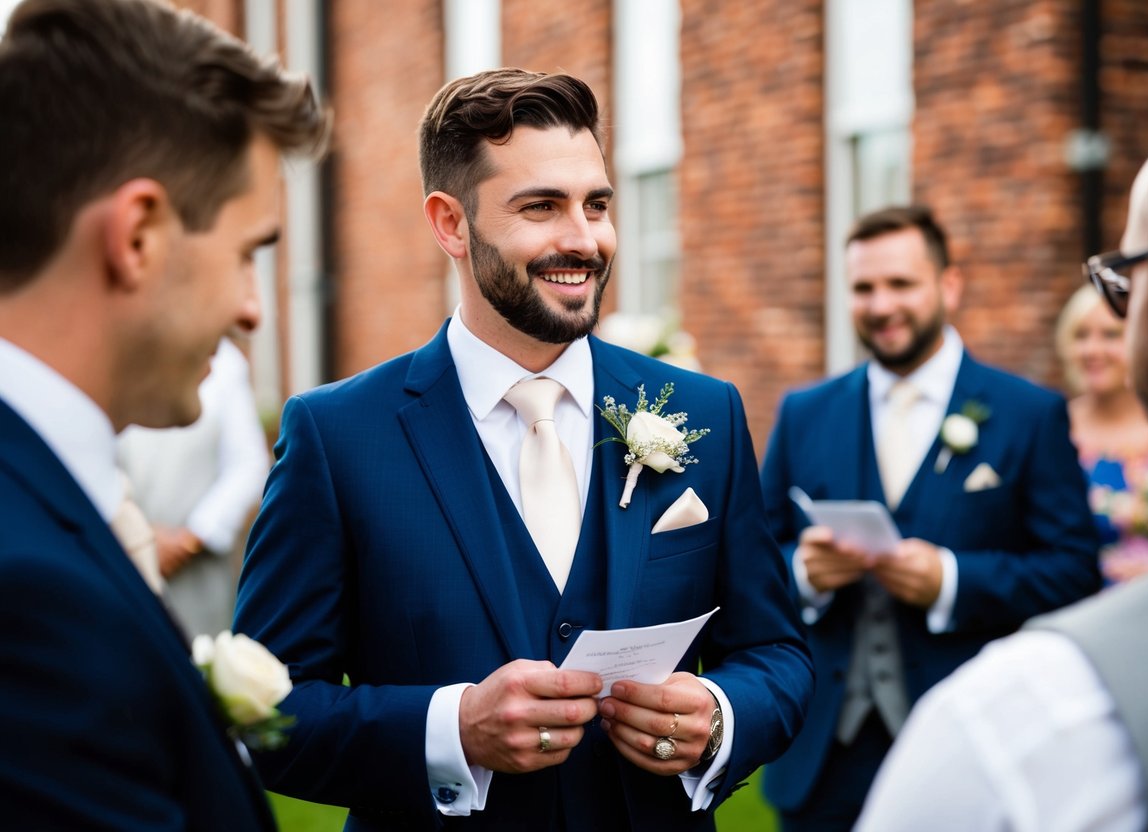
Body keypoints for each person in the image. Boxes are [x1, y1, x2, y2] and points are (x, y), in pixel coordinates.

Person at [232, 67, 814, 831]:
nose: (583, 239)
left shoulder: (705, 412)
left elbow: (777, 652)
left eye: (596, 204)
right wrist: (454, 728)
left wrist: (719, 712)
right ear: (450, 223)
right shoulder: (336, 436)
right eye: (540, 206)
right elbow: (269, 709)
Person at [0, 0, 329, 827]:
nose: (255, 308)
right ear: (138, 235)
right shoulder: (28, 595)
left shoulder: (50, 500)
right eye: (247, 252)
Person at [857, 93, 1148, 832]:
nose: (1108, 331)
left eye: (1122, 284)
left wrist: (948, 579)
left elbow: (1064, 564)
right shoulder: (806, 410)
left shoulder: (1021, 730)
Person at [760, 204, 1102, 831]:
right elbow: (752, 563)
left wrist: (951, 580)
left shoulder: (1028, 414)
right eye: (864, 288)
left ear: (949, 285)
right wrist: (802, 572)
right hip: (822, 755)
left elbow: (1075, 574)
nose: (881, 304)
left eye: (901, 284)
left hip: (974, 740)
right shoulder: (805, 412)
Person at [118, 335, 271, 638]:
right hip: (119, 556)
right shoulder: (111, 346)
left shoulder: (225, 363)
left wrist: (190, 537)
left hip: (198, 567)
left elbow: (248, 464)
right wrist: (137, 538)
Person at [1056, 284, 1148, 584]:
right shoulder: (1052, 428)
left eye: (1110, 335)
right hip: (1079, 611)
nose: (1092, 350)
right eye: (1081, 336)